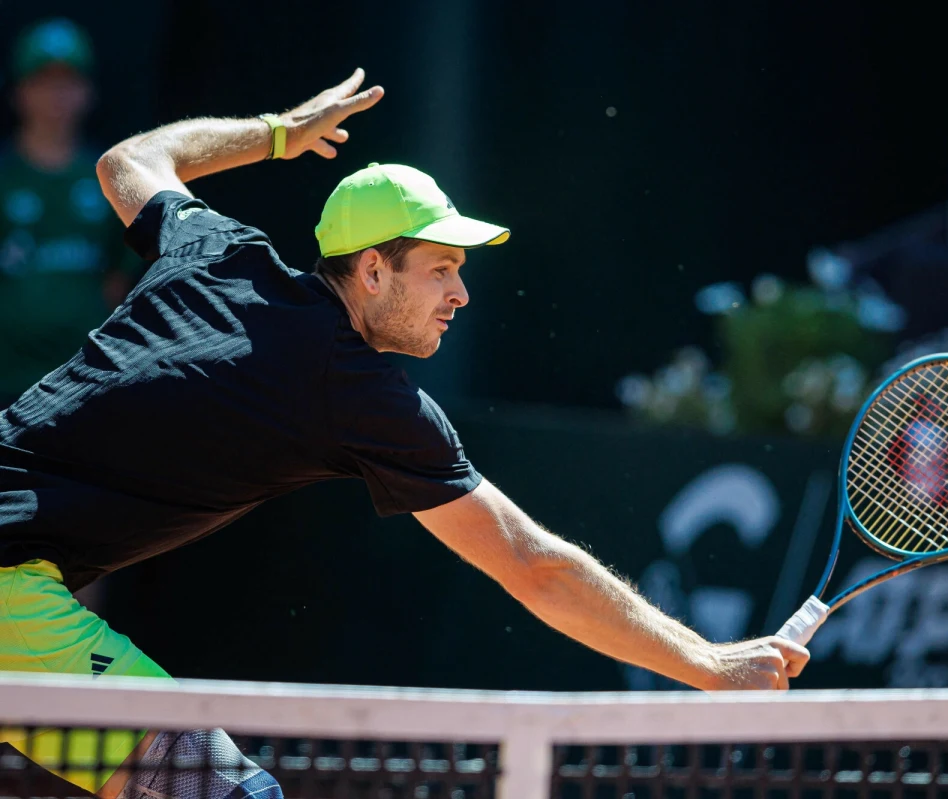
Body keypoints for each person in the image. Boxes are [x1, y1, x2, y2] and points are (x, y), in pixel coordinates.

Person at [0, 69, 809, 799]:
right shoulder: (357, 394)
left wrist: (280, 131)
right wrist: (706, 663)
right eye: (439, 268)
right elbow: (534, 567)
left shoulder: (219, 250)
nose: (459, 293)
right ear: (373, 271)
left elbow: (128, 161)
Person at [0, 18, 140, 407]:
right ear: (19, 91)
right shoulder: (5, 177)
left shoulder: (110, 176)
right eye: (43, 81)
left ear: (88, 91)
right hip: (6, 376)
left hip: (81, 378)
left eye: (68, 82)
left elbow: (118, 276)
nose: (56, 95)